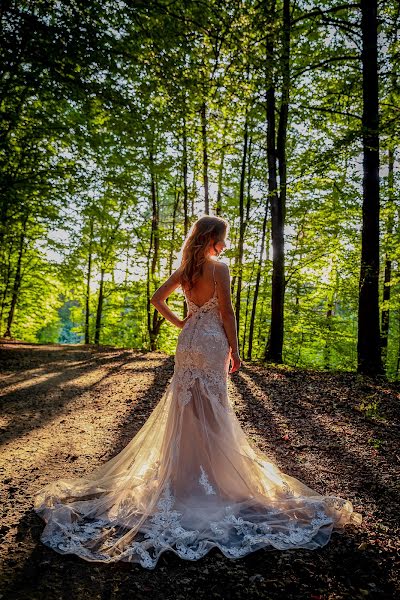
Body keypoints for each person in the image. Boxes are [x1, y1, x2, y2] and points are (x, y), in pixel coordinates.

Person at [34, 215, 362, 569]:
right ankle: (215, 476)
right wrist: (235, 349)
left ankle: (184, 474)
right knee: (214, 407)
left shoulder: (186, 270)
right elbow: (227, 311)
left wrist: (182, 322)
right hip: (210, 343)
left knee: (185, 406)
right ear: (212, 238)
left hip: (188, 342)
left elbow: (157, 299)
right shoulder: (219, 268)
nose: (225, 242)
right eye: (223, 236)